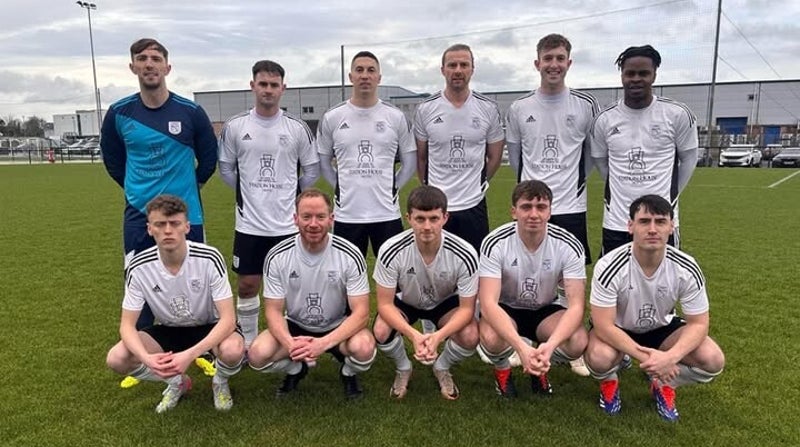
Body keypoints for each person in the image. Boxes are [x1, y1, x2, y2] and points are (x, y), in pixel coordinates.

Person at [101, 38, 218, 388]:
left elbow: (208, 159)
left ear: (167, 67)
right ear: (133, 67)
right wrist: (137, 192)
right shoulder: (119, 113)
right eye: (142, 58)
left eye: (155, 58)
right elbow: (113, 160)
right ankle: (150, 358)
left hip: (186, 215)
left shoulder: (190, 112)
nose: (149, 64)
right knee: (139, 281)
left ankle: (205, 351)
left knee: (198, 282)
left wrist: (188, 190)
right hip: (139, 215)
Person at [585, 195, 725, 422]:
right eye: (644, 221)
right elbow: (603, 325)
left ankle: (664, 383)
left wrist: (671, 357)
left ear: (671, 226)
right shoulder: (609, 265)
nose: (652, 229)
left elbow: (699, 324)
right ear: (630, 226)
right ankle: (610, 381)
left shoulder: (686, 267)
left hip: (661, 328)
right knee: (600, 358)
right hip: (618, 329)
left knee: (713, 360)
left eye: (660, 222)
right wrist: (649, 358)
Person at [105, 195, 245, 413]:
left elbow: (228, 319)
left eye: (175, 223)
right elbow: (126, 325)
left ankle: (220, 380)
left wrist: (190, 355)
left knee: (233, 350)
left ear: (187, 227)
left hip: (209, 325)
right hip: (169, 329)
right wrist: (146, 358)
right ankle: (176, 382)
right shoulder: (138, 266)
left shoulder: (209, 258)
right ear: (149, 229)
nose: (168, 230)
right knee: (117, 358)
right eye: (160, 224)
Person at [218, 60, 320, 349]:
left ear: (283, 88)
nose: (268, 90)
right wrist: (247, 193)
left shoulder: (297, 128)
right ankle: (249, 341)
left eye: (274, 85)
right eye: (262, 84)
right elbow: (225, 168)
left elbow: (311, 169)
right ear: (252, 86)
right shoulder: (236, 126)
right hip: (250, 224)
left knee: (291, 285)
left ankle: (290, 342)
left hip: (287, 225)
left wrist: (293, 194)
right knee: (248, 284)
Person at [247, 189, 376, 399]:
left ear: (331, 219)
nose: (313, 224)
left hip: (337, 324)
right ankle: (296, 369)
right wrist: (291, 345)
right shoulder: (277, 256)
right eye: (306, 217)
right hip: (295, 325)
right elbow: (273, 311)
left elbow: (361, 313)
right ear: (295, 219)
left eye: (320, 217)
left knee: (364, 348)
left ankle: (348, 372)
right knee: (257, 355)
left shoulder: (350, 254)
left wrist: (322, 344)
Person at [477, 180, 588, 398]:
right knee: (491, 339)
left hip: (546, 310)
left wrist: (549, 347)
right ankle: (502, 369)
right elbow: (488, 303)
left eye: (541, 207)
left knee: (577, 342)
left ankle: (540, 363)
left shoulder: (569, 244)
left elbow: (576, 306)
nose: (534, 214)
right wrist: (521, 348)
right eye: (526, 207)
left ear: (550, 212)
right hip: (506, 309)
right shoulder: (495, 242)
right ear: (514, 212)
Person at [372, 185, 479, 400]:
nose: (427, 226)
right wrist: (414, 336)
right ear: (409, 218)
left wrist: (438, 337)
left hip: (444, 304)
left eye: (434, 218)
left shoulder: (465, 252)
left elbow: (467, 309)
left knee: (470, 336)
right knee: (381, 331)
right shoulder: (391, 249)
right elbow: (384, 304)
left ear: (445, 218)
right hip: (408, 301)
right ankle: (404, 368)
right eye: (420, 219)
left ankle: (442, 367)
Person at [591, 45, 698, 256]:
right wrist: (621, 184)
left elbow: (689, 159)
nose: (636, 79)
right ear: (622, 76)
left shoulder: (676, 114)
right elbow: (600, 161)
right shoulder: (604, 119)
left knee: (664, 275)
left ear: (654, 75)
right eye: (630, 73)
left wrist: (671, 193)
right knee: (613, 274)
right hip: (617, 220)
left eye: (643, 73)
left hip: (660, 221)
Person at [505, 34, 599, 265]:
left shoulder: (586, 104)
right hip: (530, 204)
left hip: (570, 204)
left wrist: (576, 179)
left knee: (570, 271)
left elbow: (592, 153)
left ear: (569, 63)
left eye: (560, 58)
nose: (554, 64)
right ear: (537, 64)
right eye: (548, 58)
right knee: (527, 265)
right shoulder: (519, 107)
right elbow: (516, 156)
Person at [317, 50, 417, 258]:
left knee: (394, 273)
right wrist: (340, 187)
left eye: (371, 70)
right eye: (359, 70)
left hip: (386, 213)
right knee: (347, 273)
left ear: (379, 77)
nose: (365, 75)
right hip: (347, 215)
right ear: (350, 76)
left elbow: (409, 163)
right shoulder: (332, 117)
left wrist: (393, 187)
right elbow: (324, 162)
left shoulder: (396, 117)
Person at [413, 43, 505, 253]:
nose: (458, 70)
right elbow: (421, 157)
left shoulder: (488, 108)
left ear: (472, 69)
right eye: (452, 65)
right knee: (433, 264)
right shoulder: (426, 108)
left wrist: (479, 183)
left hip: (473, 204)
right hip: (436, 206)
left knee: (474, 263)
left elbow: (495, 156)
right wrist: (429, 188)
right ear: (442, 69)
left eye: (464, 65)